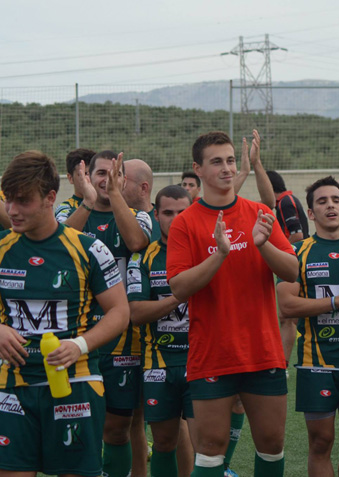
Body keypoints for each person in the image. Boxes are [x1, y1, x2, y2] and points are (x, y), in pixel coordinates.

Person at [167, 130, 297, 477]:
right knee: (210, 452)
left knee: (271, 446)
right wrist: (219, 255)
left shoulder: (258, 213)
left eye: (230, 160)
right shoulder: (185, 223)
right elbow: (178, 287)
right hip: (212, 355)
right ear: (198, 169)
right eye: (216, 162)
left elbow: (294, 271)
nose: (226, 168)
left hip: (262, 352)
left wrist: (263, 244)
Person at [0, 151, 129, 476]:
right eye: (7, 200)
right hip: (13, 385)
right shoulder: (3, 249)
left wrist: (79, 346)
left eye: (22, 201)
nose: (12, 211)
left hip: (76, 383)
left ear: (50, 198)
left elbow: (120, 311)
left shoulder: (88, 249)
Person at [63, 149, 153, 477]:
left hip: (123, 339)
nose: (105, 179)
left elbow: (135, 242)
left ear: (122, 179)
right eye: (99, 173)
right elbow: (59, 248)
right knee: (82, 423)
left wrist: (114, 195)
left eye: (112, 174)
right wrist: (87, 202)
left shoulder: (138, 214)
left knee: (119, 427)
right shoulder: (67, 211)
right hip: (77, 333)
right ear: (87, 178)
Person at [277, 176, 339, 477]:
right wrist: (338, 299)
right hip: (315, 363)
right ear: (310, 213)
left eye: (335, 200)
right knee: (321, 442)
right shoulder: (298, 253)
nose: (330, 205)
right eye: (322, 201)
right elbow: (286, 305)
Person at [128, 185, 194, 477]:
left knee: (206, 443)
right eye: (168, 212)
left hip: (203, 361)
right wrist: (180, 295)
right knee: (165, 442)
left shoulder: (209, 253)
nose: (176, 219)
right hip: (159, 364)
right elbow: (135, 313)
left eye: (183, 212)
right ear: (156, 215)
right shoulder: (142, 258)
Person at [266, 169, 310, 372]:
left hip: (295, 260)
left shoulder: (285, 202)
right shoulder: (286, 201)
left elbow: (297, 235)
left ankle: (282, 366)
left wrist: (276, 253)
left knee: (287, 315)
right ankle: (283, 364)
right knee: (288, 316)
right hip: (297, 259)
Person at [124, 158, 161, 241]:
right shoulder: (111, 220)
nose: (116, 186)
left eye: (123, 181)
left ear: (143, 188)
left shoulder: (164, 221)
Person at [55, 147, 95, 223]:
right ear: (70, 178)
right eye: (83, 174)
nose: (88, 178)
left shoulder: (109, 204)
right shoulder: (65, 208)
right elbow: (63, 232)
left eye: (92, 173)